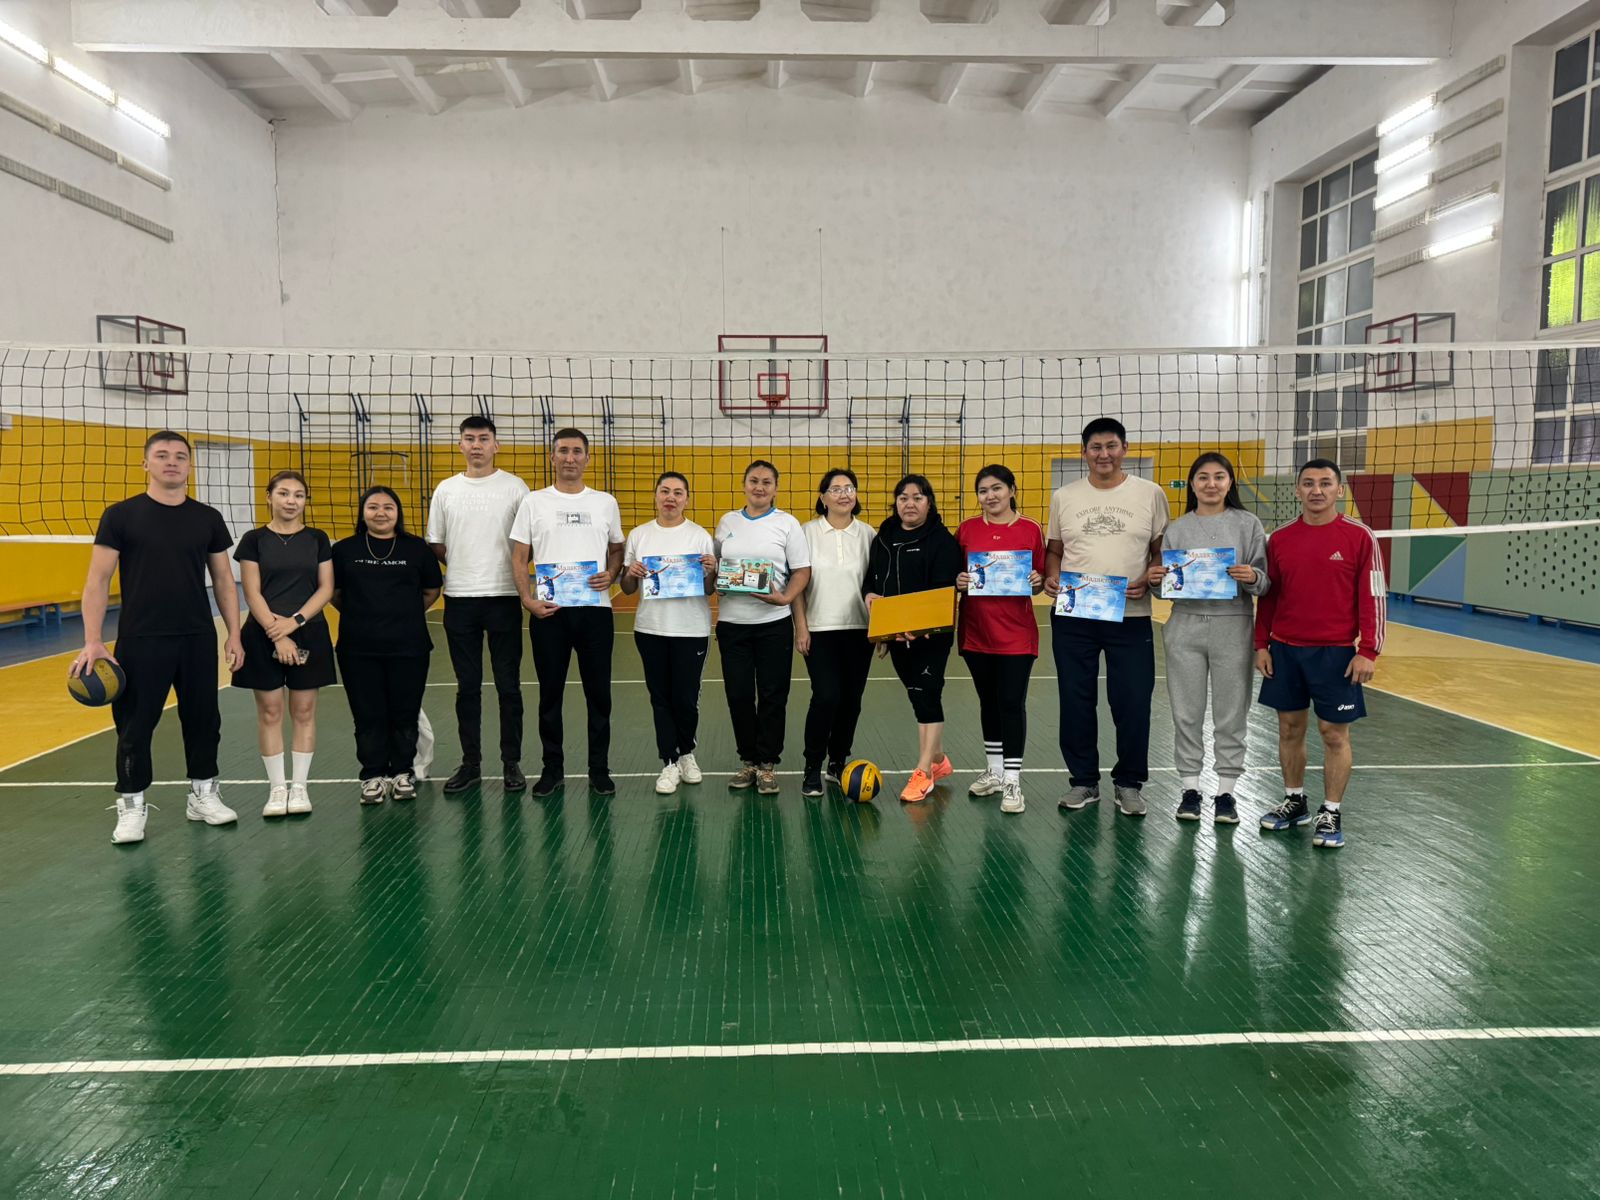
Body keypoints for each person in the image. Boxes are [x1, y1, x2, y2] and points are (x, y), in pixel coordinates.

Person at [71, 431, 243, 845]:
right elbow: (97, 580)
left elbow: (224, 579)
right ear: (146, 464)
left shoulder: (207, 518)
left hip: (197, 635)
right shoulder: (120, 516)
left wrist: (234, 633)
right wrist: (93, 640)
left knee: (204, 720)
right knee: (135, 725)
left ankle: (203, 794)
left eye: (180, 456)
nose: (172, 462)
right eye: (162, 455)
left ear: (189, 466)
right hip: (141, 637)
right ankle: (132, 805)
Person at [1254, 459, 1385, 850]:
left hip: (1336, 654)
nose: (1317, 490)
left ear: (1339, 490)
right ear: (1297, 490)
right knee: (1289, 729)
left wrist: (1369, 650)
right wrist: (1261, 644)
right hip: (1285, 650)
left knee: (1333, 733)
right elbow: (1270, 597)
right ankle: (1295, 801)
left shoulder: (1360, 537)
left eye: (1326, 483)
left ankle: (1331, 811)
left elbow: (1374, 595)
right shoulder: (1279, 539)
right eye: (1308, 483)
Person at [1045, 417, 1169, 817]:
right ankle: (1083, 781)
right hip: (1075, 614)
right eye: (1096, 447)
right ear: (1084, 452)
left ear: (1125, 449)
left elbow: (1160, 551)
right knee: (1075, 699)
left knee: (1132, 701)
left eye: (1111, 446)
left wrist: (1149, 576)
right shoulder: (1064, 496)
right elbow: (1054, 551)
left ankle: (1129, 783)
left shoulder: (1150, 494)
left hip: (1131, 615)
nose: (1104, 454)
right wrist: (1051, 576)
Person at [1145, 452, 1269, 825]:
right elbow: (1166, 588)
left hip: (1233, 626)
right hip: (1184, 627)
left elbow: (1265, 582)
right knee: (1186, 711)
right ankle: (1190, 789)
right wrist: (1156, 581)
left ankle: (1226, 793)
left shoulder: (1248, 524)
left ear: (1230, 483)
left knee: (1232, 712)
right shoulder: (1178, 528)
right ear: (1192, 484)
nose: (1211, 484)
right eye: (1203, 477)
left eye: (1219, 477)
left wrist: (1253, 577)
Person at [510, 428, 625, 797]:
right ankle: (552, 769)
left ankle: (599, 770)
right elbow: (519, 556)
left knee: (599, 695)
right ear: (552, 457)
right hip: (549, 612)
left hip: (595, 612)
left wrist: (612, 572)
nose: (570, 457)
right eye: (563, 451)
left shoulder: (605, 502)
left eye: (577, 451)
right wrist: (527, 599)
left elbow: (617, 549)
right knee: (550, 696)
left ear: (587, 458)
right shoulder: (534, 502)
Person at [426, 415, 530, 795]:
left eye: (483, 439)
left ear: (495, 445)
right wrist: (465, 565)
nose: (476, 445)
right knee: (467, 687)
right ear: (460, 445)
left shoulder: (516, 488)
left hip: (504, 597)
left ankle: (511, 762)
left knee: (508, 686)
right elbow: (437, 543)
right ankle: (471, 763)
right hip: (460, 599)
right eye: (469, 439)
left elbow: (527, 544)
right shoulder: (446, 490)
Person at [232, 470, 336, 818]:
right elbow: (251, 592)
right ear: (269, 497)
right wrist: (277, 631)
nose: (291, 501)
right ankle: (277, 789)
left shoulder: (318, 539)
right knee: (270, 711)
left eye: (298, 495)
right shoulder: (253, 540)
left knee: (304, 712)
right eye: (284, 493)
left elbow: (325, 588)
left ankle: (299, 788)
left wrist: (295, 622)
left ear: (305, 501)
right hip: (264, 632)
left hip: (308, 630)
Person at [331, 487, 442, 804]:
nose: (380, 513)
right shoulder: (344, 550)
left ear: (398, 513)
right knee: (367, 714)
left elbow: (431, 590)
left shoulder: (417, 548)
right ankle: (373, 775)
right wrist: (363, 615)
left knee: (405, 712)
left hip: (409, 647)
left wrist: (404, 615)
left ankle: (402, 773)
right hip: (358, 648)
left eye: (388, 507)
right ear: (362, 512)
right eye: (373, 507)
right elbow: (334, 593)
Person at [714, 460, 812, 795]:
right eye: (754, 481)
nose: (759, 487)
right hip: (733, 625)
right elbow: (717, 569)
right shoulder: (727, 522)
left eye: (766, 482)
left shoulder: (787, 524)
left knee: (773, 695)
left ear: (775, 488)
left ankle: (767, 764)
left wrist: (785, 597)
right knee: (739, 695)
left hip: (773, 625)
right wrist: (718, 579)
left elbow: (802, 571)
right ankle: (748, 761)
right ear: (744, 484)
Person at [864, 474, 962, 803]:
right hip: (896, 635)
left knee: (927, 695)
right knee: (916, 695)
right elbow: (872, 581)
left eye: (917, 497)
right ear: (896, 502)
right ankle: (939, 759)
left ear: (929, 503)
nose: (910, 503)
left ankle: (924, 772)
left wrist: (918, 624)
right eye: (903, 497)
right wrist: (872, 604)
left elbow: (941, 592)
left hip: (930, 636)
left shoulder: (941, 541)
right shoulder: (883, 537)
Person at [955, 464, 1045, 815]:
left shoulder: (1030, 529)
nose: (990, 496)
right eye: (983, 491)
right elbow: (954, 574)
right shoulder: (966, 530)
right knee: (988, 702)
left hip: (1016, 634)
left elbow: (1040, 577)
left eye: (996, 488)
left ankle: (1012, 780)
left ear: (1011, 490)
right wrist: (959, 580)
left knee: (1011, 702)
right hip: (976, 632)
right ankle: (993, 771)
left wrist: (1037, 581)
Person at [621, 471, 717, 795]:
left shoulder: (700, 536)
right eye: (665, 491)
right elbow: (627, 588)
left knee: (686, 698)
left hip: (691, 629)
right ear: (656, 496)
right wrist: (631, 573)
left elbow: (709, 589)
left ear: (687, 499)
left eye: (678, 492)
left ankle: (687, 752)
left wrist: (710, 571)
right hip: (651, 628)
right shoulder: (639, 535)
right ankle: (669, 761)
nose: (671, 498)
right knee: (660, 697)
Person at [793, 468, 875, 798]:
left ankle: (838, 762)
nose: (844, 494)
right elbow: (797, 585)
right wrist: (801, 626)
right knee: (826, 696)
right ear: (823, 497)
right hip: (819, 630)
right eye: (836, 489)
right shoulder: (806, 533)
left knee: (851, 700)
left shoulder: (868, 534)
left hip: (860, 630)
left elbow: (877, 585)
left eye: (849, 488)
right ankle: (812, 765)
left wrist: (883, 630)